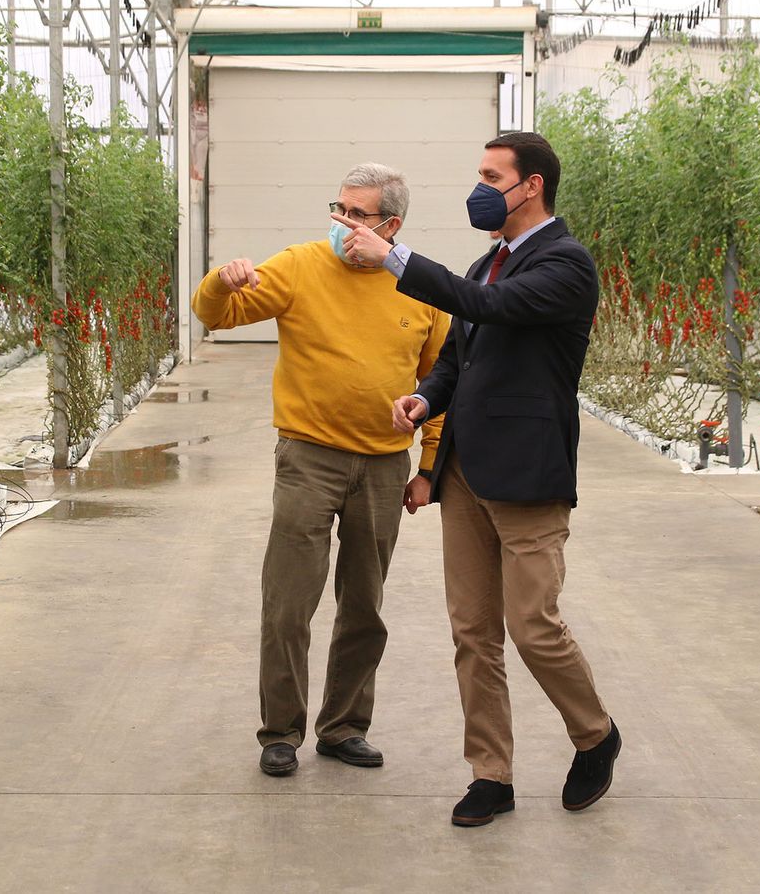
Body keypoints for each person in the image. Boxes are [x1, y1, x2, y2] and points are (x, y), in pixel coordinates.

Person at [331, 131, 620, 827]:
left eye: (492, 175)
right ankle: (491, 774)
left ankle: (595, 734)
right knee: (473, 634)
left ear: (532, 187)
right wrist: (426, 399)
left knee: (534, 627)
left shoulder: (566, 264)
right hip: (465, 474)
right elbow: (462, 355)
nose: (480, 187)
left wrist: (391, 256)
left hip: (527, 476)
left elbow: (485, 308)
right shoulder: (489, 262)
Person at [191, 162, 450, 778]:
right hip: (309, 459)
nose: (340, 223)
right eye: (336, 208)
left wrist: (429, 468)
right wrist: (220, 282)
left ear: (391, 225)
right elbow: (219, 315)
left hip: (386, 468)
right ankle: (280, 732)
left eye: (355, 215)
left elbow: (443, 382)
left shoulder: (423, 287)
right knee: (288, 602)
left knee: (364, 605)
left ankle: (344, 727)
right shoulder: (302, 265)